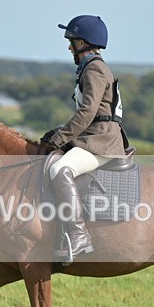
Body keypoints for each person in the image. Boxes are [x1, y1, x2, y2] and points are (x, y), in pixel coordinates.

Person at [41, 14, 128, 261]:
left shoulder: (95, 69)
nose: (70, 47)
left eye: (73, 41)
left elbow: (88, 112)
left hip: (101, 142)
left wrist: (59, 139)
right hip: (94, 137)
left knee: (60, 169)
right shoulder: (90, 68)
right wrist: (58, 132)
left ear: (84, 43)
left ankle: (79, 236)